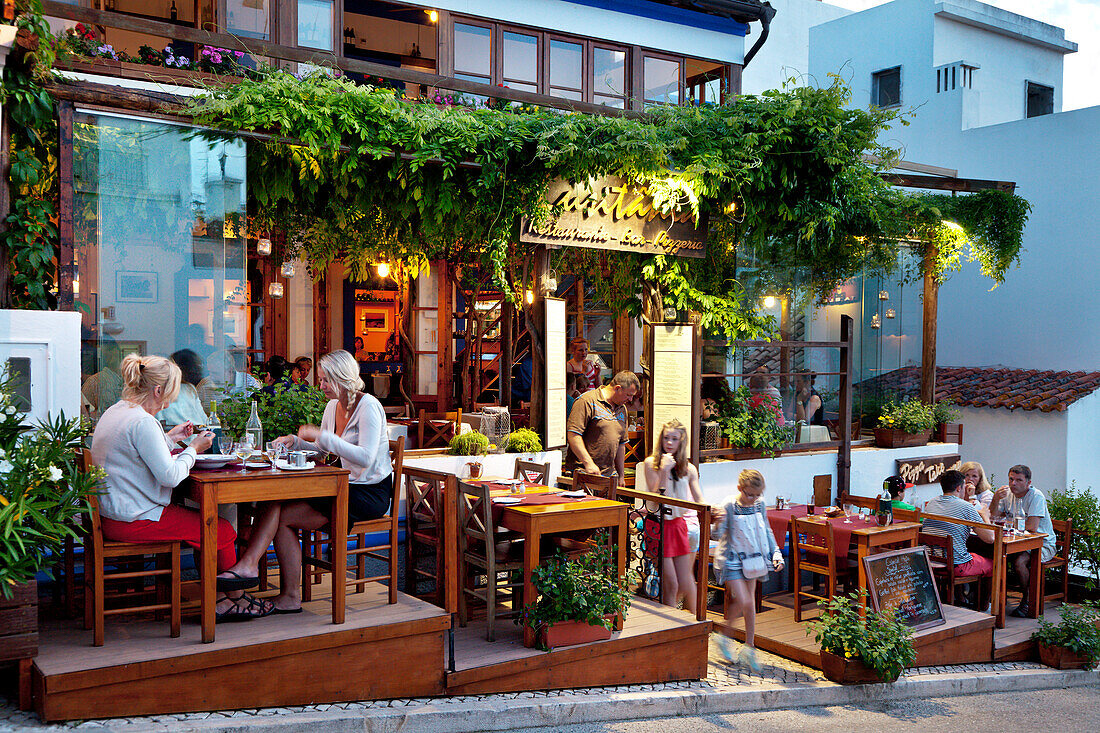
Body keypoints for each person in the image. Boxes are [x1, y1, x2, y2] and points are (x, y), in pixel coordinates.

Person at [90, 354, 271, 620]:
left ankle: (223, 598)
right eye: (170, 393)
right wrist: (194, 449)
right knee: (220, 529)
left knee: (209, 527)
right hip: (135, 519)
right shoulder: (142, 422)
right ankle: (229, 600)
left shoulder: (117, 411)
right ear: (158, 389)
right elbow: (171, 476)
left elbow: (135, 453)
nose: (168, 401)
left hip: (114, 514)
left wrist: (171, 437)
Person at [223, 349, 393, 614]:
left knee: (279, 508)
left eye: (326, 380)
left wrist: (322, 437)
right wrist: (296, 440)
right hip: (340, 485)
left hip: (369, 493)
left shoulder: (368, 406)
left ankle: (249, 567)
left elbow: (366, 458)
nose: (320, 385)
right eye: (321, 379)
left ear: (343, 378)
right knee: (279, 509)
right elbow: (323, 453)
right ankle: (281, 590)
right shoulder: (332, 406)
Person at [713, 469, 783, 671]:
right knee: (743, 599)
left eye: (757, 494)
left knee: (749, 602)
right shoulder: (728, 505)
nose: (753, 499)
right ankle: (725, 637)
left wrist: (776, 554)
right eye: (749, 494)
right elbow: (717, 536)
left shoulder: (760, 505)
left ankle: (749, 647)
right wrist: (717, 522)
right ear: (739, 488)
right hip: (731, 559)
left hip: (753, 559)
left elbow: (767, 530)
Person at [642, 419, 707, 615]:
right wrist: (663, 471)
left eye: (674, 439)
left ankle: (696, 621)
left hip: (679, 525)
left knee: (685, 580)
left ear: (681, 442)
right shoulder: (651, 464)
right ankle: (669, 625)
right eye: (666, 438)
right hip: (659, 525)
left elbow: (699, 499)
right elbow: (654, 500)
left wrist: (715, 511)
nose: (669, 443)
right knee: (670, 582)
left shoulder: (688, 468)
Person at [990, 464, 1057, 617]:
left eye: (1019, 480)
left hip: (1043, 544)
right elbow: (993, 517)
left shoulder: (1036, 496)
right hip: (1017, 541)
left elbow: (1032, 526)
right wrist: (995, 498)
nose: (1013, 483)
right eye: (1011, 479)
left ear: (1028, 483)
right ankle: (993, 600)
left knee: (1019, 562)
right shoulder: (1006, 494)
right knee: (994, 554)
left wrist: (1006, 522)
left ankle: (1027, 601)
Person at [923, 469, 995, 609]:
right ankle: (983, 607)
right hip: (956, 566)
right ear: (959, 488)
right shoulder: (966, 507)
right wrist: (985, 515)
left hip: (932, 561)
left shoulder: (931, 503)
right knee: (992, 564)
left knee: (971, 554)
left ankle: (963, 598)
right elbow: (990, 538)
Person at [565, 370, 640, 482]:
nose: (630, 400)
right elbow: (573, 434)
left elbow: (621, 444)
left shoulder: (622, 408)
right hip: (583, 473)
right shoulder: (587, 401)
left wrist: (621, 475)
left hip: (608, 476)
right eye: (629, 395)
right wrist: (588, 463)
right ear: (617, 388)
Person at [157, 349, 208, 428]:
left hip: (172, 437)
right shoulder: (189, 389)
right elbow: (204, 420)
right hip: (195, 436)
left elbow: (157, 420)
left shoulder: (159, 391)